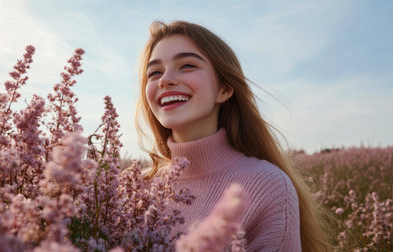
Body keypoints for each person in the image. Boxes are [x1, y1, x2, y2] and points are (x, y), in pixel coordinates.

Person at [135, 20, 330, 252]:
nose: (165, 79)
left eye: (186, 65)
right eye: (154, 72)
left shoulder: (267, 187)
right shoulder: (136, 189)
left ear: (224, 89)